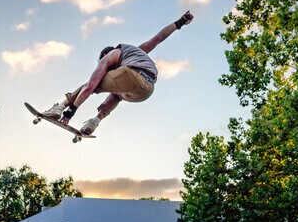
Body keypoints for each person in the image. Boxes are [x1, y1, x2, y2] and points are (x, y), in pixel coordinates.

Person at [43, 11, 194, 135]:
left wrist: (71, 111)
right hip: (146, 91)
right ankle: (95, 121)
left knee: (91, 83)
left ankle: (59, 107)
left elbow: (89, 87)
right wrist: (180, 22)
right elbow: (159, 38)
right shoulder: (136, 52)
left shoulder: (110, 56)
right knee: (116, 92)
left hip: (131, 75)